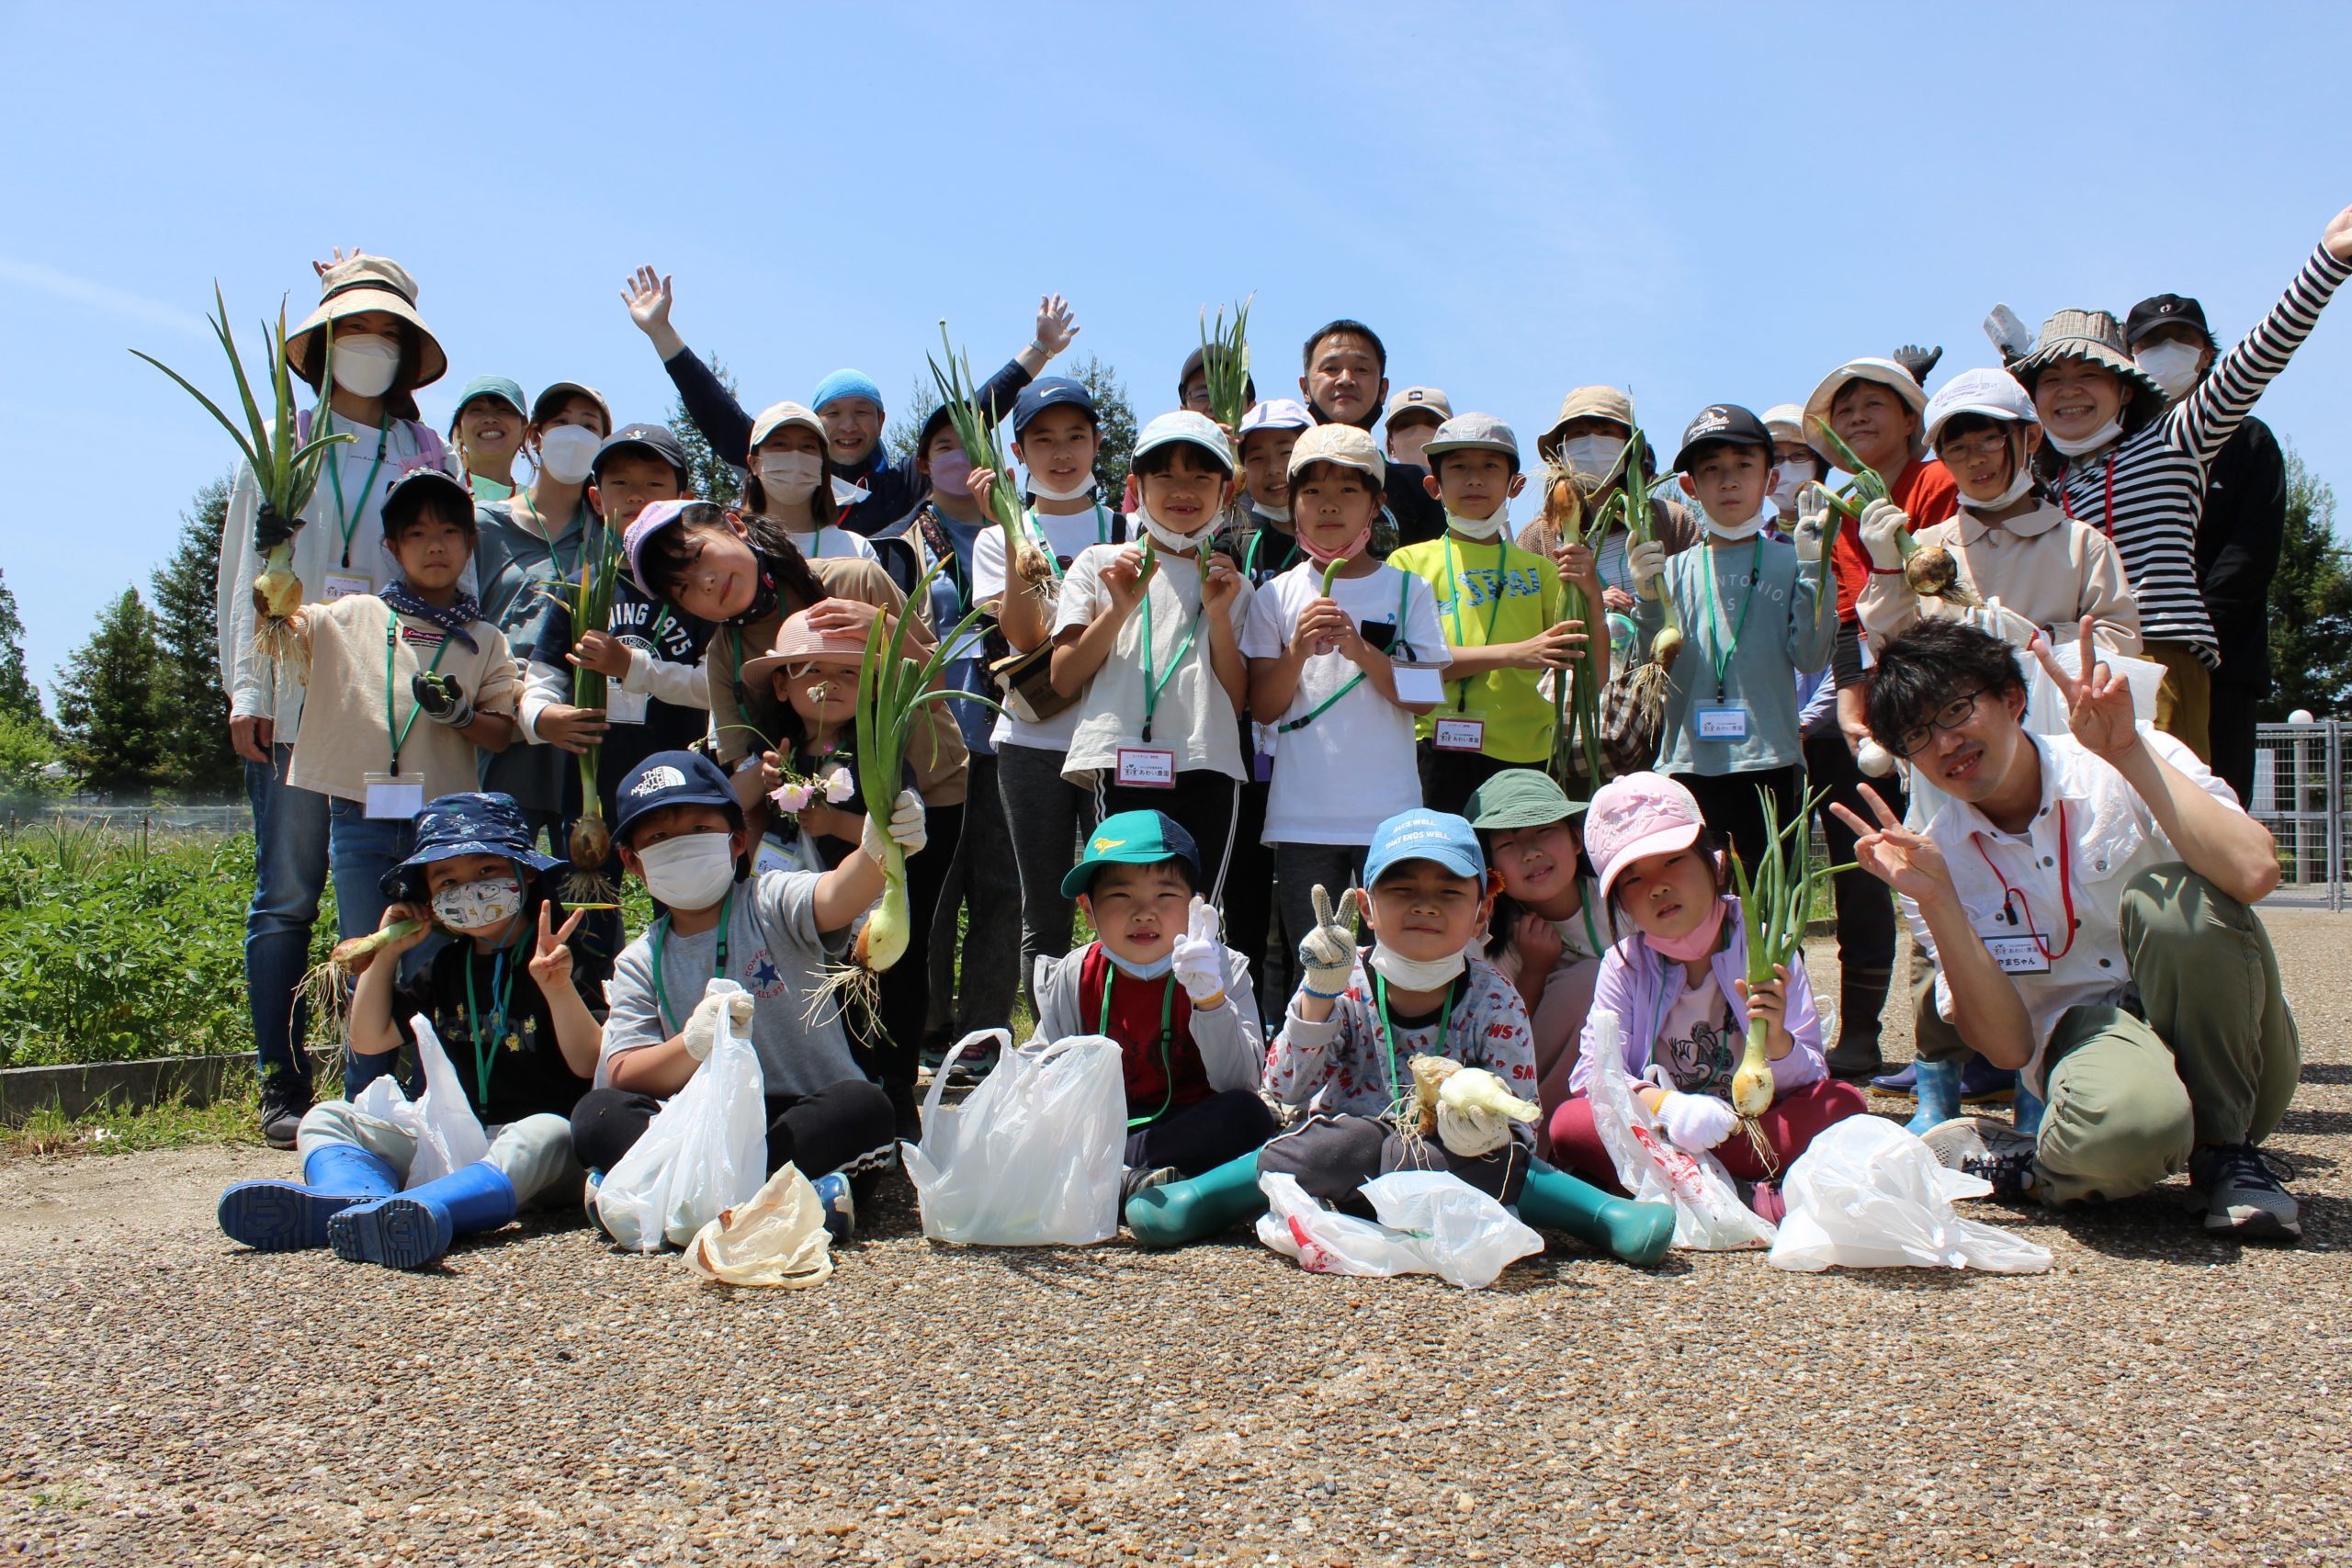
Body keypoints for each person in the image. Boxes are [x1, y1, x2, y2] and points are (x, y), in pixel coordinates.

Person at [1835, 618, 2302, 1242]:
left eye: (1956, 709)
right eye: (1918, 734)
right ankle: (2038, 1167)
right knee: (2126, 1131)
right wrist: (1940, 900)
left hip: (2237, 1049)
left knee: (2172, 899)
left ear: (2013, 698)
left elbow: (2254, 870)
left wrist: (2129, 753)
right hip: (2096, 1047)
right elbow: (2006, 1050)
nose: (1946, 743)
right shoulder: (1936, 859)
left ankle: (2226, 1149)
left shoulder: (2125, 753)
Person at [1125, 809, 1676, 1265]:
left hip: (1450, 1162)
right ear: (1366, 907)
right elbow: (1283, 1088)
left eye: (1449, 891)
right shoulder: (1342, 978)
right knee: (1314, 1146)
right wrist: (1318, 995)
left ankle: (1608, 1217)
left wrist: (1471, 1120)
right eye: (1403, 888)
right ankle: (1193, 1199)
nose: (1425, 904)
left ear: (1483, 909)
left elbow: (1519, 1117)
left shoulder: (1495, 997)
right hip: (1346, 1161)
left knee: (1507, 1164)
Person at [625, 500, 965, 1134]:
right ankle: (843, 1078)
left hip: (917, 791)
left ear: (730, 524)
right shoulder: (728, 653)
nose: (706, 585)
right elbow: (740, 772)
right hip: (807, 817)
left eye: (698, 557)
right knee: (828, 947)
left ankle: (893, 1084)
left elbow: (935, 671)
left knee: (900, 943)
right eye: (684, 589)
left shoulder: (854, 579)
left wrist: (879, 627)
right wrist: (751, 832)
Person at [217, 251, 455, 1145]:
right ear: (323, 343)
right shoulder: (280, 446)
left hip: (381, 707)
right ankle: (283, 1082)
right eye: (354, 329)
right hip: (291, 689)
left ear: (408, 352)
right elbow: (244, 569)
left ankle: (389, 1071)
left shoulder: (422, 453)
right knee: (288, 891)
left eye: (386, 333)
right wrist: (248, 685)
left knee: (386, 889)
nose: (369, 346)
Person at [2009, 202, 2352, 760]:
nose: (2069, 390)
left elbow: (2257, 359)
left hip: (2162, 654)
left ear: (2125, 388)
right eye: (2052, 380)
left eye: (2089, 374)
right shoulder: (2047, 483)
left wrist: (2326, 264)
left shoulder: (2174, 438)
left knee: (2168, 822)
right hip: (2072, 667)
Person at [215, 794, 608, 1268]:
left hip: (540, 1158)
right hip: (455, 1140)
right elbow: (369, 1038)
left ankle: (431, 1207)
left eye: (487, 871)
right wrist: (387, 953)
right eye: (448, 881)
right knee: (328, 1117)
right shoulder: (447, 966)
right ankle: (350, 1197)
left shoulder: (568, 954)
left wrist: (558, 986)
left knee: (545, 1132)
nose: (470, 889)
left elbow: (589, 1062)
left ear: (524, 872)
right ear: (431, 901)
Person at [571, 750, 922, 1242]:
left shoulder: (771, 901)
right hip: (696, 1124)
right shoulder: (640, 959)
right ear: (632, 862)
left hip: (792, 1115)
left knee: (863, 1107)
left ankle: (661, 1193)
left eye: (699, 829)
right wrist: (692, 1045)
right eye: (659, 838)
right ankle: (784, 1200)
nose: (681, 846)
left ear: (736, 841)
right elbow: (625, 1071)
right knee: (595, 1115)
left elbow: (839, 894)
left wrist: (881, 846)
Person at [280, 469, 519, 1074]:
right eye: (415, 533)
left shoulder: (483, 640)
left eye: (447, 531)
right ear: (391, 547)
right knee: (369, 954)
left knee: (435, 962)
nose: (433, 545)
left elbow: (500, 727)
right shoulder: (351, 615)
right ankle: (368, 1101)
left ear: (470, 543)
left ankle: (437, 1096)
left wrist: (460, 712)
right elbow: (283, 623)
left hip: (443, 834)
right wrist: (274, 561)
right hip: (361, 821)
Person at [1549, 773, 1865, 1215]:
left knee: (1842, 1104)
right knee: (1569, 1124)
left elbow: (1811, 1075)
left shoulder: (1768, 944)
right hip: (1667, 1132)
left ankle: (1693, 1190)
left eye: (1673, 861)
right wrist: (1668, 1106)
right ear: (1620, 903)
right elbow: (1594, 1074)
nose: (1657, 886)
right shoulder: (1623, 963)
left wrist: (1777, 1042)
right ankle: (1751, 1194)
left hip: (1755, 1129)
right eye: (1633, 879)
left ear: (1717, 863)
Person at [621, 265, 1080, 540]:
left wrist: (1038, 352)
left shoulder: (901, 485)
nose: (848, 425)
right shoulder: (789, 470)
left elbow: (967, 418)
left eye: (862, 412)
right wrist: (663, 334)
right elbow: (719, 416)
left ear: (881, 421)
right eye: (833, 414)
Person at [1240, 423, 1445, 956]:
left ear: (1376, 504)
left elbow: (1424, 697)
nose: (1329, 507)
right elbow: (1262, 706)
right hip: (1301, 813)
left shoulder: (1408, 588)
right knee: (1317, 956)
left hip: (1390, 815)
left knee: (1392, 958)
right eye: (1312, 492)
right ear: (1292, 503)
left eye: (1348, 492)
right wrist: (1297, 652)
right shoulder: (1275, 596)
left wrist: (1360, 650)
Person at [964, 376, 1128, 1007]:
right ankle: (1054, 1047)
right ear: (1018, 451)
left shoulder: (1129, 526)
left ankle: (1122, 1032)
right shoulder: (997, 537)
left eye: (1075, 437)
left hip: (1115, 738)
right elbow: (1023, 632)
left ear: (1096, 442)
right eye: (1043, 440)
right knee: (1045, 910)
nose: (1062, 454)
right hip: (1032, 739)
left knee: (1123, 893)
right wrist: (1010, 534)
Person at [1050, 412, 1254, 901]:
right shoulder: (1100, 564)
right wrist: (1120, 606)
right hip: (1119, 758)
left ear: (1226, 493)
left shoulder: (1234, 586)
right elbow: (1063, 676)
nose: (1183, 490)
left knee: (1200, 915)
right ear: (1136, 486)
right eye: (1165, 476)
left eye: (1201, 478)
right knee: (1124, 905)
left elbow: (1238, 698)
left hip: (1209, 764)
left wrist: (1220, 616)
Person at [1035, 812, 1276, 1203]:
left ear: (1195, 905)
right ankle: (1138, 1180)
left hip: (1187, 1123)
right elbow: (1045, 1062)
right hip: (1101, 1125)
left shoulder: (1224, 968)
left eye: (1165, 896)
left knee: (1248, 1116)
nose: (1144, 913)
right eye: (1120, 895)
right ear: (1087, 907)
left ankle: (1116, 1177)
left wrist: (1210, 1000)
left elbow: (1241, 1082)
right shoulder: (1075, 973)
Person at [876, 405, 1017, 1069]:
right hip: (930, 739)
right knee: (930, 887)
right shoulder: (898, 545)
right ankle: (928, 1026)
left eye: (972, 445)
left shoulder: (1024, 535)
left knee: (1000, 889)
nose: (959, 457)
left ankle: (984, 1032)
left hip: (1012, 735)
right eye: (943, 446)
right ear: (924, 462)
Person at [1634, 405, 1834, 863]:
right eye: (1712, 470)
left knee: (1774, 908)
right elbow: (1651, 668)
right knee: (1704, 910)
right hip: (1688, 766)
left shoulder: (1794, 561)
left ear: (1769, 479)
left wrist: (1814, 572)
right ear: (1690, 486)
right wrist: (1647, 597)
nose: (1728, 482)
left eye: (1744, 466)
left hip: (1772, 764)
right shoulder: (1671, 570)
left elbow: (1811, 656)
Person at [517, 428, 713, 869]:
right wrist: (540, 717)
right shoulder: (580, 586)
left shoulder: (700, 588)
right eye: (620, 483)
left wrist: (629, 664)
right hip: (590, 792)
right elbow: (544, 677)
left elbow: (711, 689)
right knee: (589, 917)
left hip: (679, 786)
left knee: (682, 905)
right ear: (595, 497)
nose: (636, 496)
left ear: (683, 495)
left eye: (654, 483)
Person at [2125, 292, 2291, 803]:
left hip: (2226, 663)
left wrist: (2192, 637)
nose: (2166, 349)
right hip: (2130, 658)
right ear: (2129, 358)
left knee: (2220, 807)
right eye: (2151, 341)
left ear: (2207, 355)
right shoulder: (2117, 445)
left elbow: (2250, 552)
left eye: (2182, 340)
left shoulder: (2248, 440)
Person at [1856, 368, 2139, 655]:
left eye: (1991, 439)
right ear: (1941, 458)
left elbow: (2121, 641)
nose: (1975, 459)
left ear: (2031, 438)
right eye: (1957, 448)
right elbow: (1891, 650)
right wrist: (1887, 571)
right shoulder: (1925, 547)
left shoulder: (2081, 544)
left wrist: (2044, 639)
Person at [1389, 414, 1589, 814]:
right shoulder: (1406, 563)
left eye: (1490, 467)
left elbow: (1589, 665)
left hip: (1525, 753)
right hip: (1432, 749)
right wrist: (1514, 654)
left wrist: (1591, 591)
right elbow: (1408, 667)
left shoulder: (1541, 570)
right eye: (1459, 467)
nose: (1474, 479)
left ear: (1515, 485)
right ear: (1434, 485)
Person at [474, 381, 613, 848]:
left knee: (587, 881)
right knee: (498, 872)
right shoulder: (482, 525)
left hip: (583, 732)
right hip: (505, 730)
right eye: (560, 423)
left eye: (589, 426)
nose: (574, 434)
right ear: (534, 436)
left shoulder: (611, 539)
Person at [1464, 770, 1607, 1142]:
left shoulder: (1619, 903)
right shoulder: (1490, 934)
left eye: (1544, 830)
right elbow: (1497, 1037)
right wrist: (1535, 972)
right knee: (1587, 979)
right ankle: (1529, 1141)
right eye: (1509, 844)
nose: (1531, 852)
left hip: (1632, 1062)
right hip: (1533, 1085)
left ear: (1577, 839)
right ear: (1491, 867)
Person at [1519, 386, 1702, 609]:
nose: (1591, 443)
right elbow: (1529, 615)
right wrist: (1592, 604)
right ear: (1562, 449)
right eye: (1579, 433)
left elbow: (1700, 599)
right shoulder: (1537, 538)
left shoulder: (1671, 520)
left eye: (1606, 432)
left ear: (1629, 447)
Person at [1295, 320, 1446, 547]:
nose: (1345, 379)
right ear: (1305, 388)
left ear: (1383, 390)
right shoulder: (1281, 479)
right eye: (1331, 369)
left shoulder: (1418, 486)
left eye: (1361, 369)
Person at [741, 400, 879, 564]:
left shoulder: (856, 551)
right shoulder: (734, 544)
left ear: (822, 465)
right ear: (754, 464)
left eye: (807, 446)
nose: (795, 455)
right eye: (780, 444)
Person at [448, 375, 528, 502]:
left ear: (524, 431)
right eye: (477, 410)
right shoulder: (439, 491)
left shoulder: (538, 505)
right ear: (458, 432)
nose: (490, 419)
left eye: (503, 410)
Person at [1382, 385, 1451, 470]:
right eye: (1405, 425)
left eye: (1431, 422)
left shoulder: (1469, 481)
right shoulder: (1371, 482)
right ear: (1391, 443)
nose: (1418, 432)